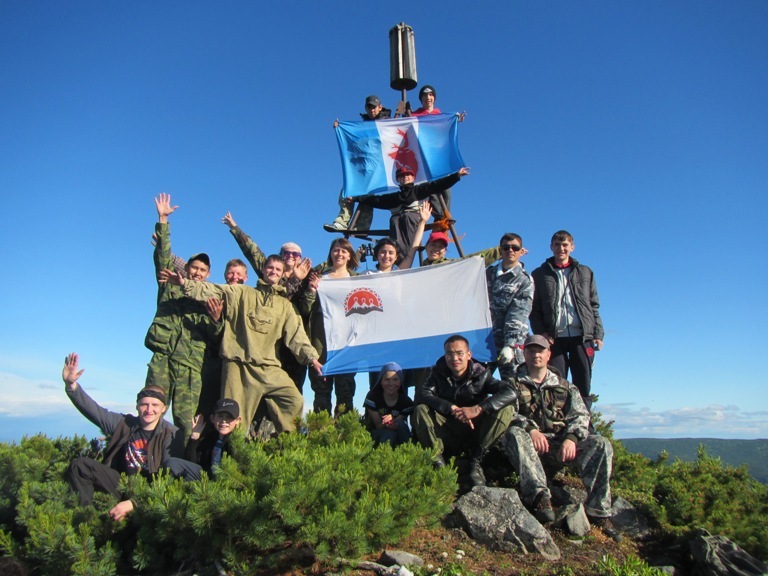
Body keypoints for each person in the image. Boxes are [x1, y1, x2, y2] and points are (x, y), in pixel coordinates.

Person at [159, 255, 322, 435]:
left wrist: (312, 359)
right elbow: (212, 290)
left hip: (269, 368)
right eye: (270, 268)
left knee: (294, 400)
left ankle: (288, 448)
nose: (273, 272)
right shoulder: (241, 293)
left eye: (277, 269)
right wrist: (185, 284)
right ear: (264, 270)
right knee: (233, 420)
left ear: (283, 274)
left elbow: (297, 336)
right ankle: (229, 459)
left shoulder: (286, 306)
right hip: (238, 367)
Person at [503, 335, 621, 541]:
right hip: (530, 447)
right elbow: (507, 413)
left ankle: (598, 511)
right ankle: (540, 497)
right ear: (525, 353)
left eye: (541, 351)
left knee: (600, 444)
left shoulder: (565, 386)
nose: (536, 355)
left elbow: (581, 416)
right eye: (531, 351)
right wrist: (531, 429)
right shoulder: (511, 384)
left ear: (549, 354)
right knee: (514, 434)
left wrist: (571, 438)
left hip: (559, 446)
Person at [62, 353, 184, 521]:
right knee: (80, 466)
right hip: (119, 484)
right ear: (137, 406)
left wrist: (134, 503)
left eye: (155, 405)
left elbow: (170, 480)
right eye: (144, 404)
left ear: (163, 408)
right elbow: (95, 412)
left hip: (150, 492)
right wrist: (72, 386)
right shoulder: (124, 424)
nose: (149, 410)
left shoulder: (171, 435)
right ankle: (86, 521)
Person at [144, 193, 222, 442]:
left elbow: (215, 337)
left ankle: (183, 465)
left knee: (185, 422)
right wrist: (163, 220)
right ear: (186, 268)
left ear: (207, 275)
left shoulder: (209, 299)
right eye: (194, 268)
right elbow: (162, 256)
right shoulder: (169, 285)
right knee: (151, 410)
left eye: (202, 270)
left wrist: (216, 319)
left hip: (191, 367)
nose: (197, 273)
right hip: (163, 359)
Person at [221, 212, 312, 393]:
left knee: (292, 389)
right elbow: (251, 250)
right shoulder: (271, 271)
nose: (291, 256)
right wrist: (234, 228)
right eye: (286, 253)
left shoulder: (307, 277)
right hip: (267, 342)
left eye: (295, 254)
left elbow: (334, 268)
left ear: (301, 258)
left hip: (293, 342)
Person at [412, 335, 517, 487]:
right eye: (449, 354)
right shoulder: (437, 373)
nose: (454, 358)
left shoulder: (482, 374)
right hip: (448, 430)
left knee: (506, 409)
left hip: (475, 432)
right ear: (445, 355)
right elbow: (424, 394)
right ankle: (438, 463)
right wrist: (450, 408)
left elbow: (510, 392)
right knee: (421, 410)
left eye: (459, 353)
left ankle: (476, 461)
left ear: (469, 355)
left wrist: (478, 408)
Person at [530, 230, 604, 411]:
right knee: (556, 382)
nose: (561, 248)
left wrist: (598, 334)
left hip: (582, 335)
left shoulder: (585, 272)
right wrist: (542, 334)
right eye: (557, 244)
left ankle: (584, 424)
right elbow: (534, 308)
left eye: (565, 245)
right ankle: (558, 423)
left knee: (583, 383)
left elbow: (593, 305)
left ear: (572, 247)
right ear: (551, 247)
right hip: (554, 337)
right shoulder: (540, 274)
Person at [295, 238, 359, 415]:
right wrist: (311, 291)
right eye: (336, 250)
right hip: (321, 345)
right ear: (330, 253)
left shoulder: (358, 280)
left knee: (345, 396)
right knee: (321, 395)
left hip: (346, 346)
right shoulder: (320, 278)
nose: (339, 254)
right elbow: (306, 310)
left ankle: (344, 439)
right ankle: (319, 437)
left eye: (344, 251)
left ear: (349, 256)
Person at [354, 166, 469, 261]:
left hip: (413, 220)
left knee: (408, 217)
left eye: (408, 175)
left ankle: (407, 257)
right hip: (397, 223)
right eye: (402, 176)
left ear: (413, 177)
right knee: (395, 220)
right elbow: (376, 200)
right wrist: (355, 198)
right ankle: (397, 257)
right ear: (398, 179)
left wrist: (456, 176)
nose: (405, 177)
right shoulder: (394, 197)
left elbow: (437, 185)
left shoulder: (418, 190)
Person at [325, 95, 392, 232]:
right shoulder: (361, 126)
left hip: (378, 168)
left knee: (367, 197)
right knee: (346, 191)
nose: (371, 109)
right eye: (369, 107)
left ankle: (361, 225)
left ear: (380, 107)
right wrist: (341, 128)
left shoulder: (387, 123)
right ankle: (342, 221)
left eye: (374, 107)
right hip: (361, 167)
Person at [486, 233, 534, 381]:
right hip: (486, 342)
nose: (510, 250)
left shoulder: (525, 280)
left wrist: (510, 344)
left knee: (512, 387)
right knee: (476, 386)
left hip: (511, 343)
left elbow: (519, 312)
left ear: (521, 251)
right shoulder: (488, 274)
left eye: (515, 247)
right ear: (500, 251)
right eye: (506, 247)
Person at [167, 398, 242, 481]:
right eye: (220, 416)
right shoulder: (209, 438)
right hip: (206, 479)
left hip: (228, 484)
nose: (224, 421)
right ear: (212, 418)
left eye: (229, 417)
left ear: (238, 420)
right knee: (171, 463)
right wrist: (194, 438)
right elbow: (191, 463)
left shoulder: (240, 442)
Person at [364, 362, 414, 447]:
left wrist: (394, 421)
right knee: (389, 435)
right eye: (387, 379)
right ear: (381, 381)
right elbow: (378, 425)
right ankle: (382, 457)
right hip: (377, 434)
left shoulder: (406, 402)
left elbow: (399, 422)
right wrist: (385, 422)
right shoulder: (372, 397)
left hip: (399, 433)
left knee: (401, 425)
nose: (391, 383)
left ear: (401, 381)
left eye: (395, 379)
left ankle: (410, 452)